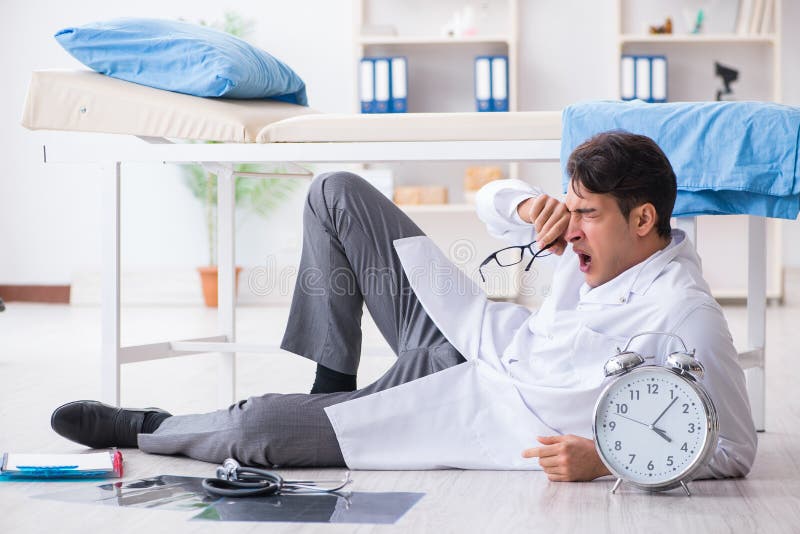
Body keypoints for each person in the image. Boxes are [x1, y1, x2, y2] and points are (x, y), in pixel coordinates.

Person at [51, 131, 757, 481]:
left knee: (256, 431)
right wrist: (525, 203)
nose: (569, 229)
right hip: (466, 332)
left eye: (587, 214)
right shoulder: (586, 235)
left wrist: (606, 458)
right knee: (336, 193)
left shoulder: (684, 313)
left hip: (471, 410)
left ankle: (146, 428)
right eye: (567, 209)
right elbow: (491, 207)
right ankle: (333, 390)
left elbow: (735, 448)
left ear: (642, 221)